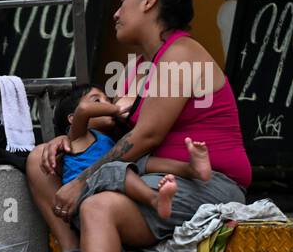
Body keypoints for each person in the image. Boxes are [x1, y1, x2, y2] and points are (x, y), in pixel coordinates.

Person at [26, 0, 252, 252]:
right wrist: (64, 140)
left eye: (123, 1)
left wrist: (84, 180)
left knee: (98, 203)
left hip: (206, 182)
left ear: (149, 2)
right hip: (153, 179)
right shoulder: (141, 67)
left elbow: (146, 136)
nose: (115, 12)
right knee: (40, 161)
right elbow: (114, 132)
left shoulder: (182, 53)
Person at [54, 89, 213, 223]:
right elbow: (83, 109)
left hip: (107, 186)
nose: (107, 103)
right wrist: (116, 109)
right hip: (81, 197)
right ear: (72, 119)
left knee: (142, 161)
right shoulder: (78, 137)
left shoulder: (109, 139)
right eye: (97, 100)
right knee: (114, 168)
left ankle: (191, 169)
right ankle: (155, 200)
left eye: (108, 99)